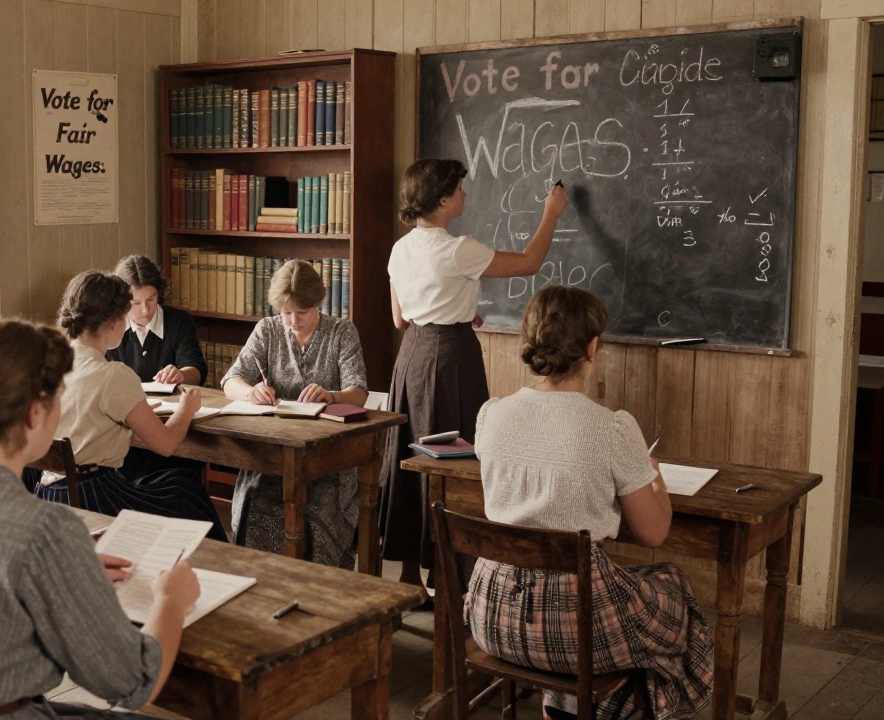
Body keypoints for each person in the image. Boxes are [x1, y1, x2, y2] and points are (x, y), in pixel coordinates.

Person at [0, 319, 202, 719]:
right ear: (35, 412)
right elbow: (133, 682)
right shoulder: (45, 529)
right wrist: (171, 601)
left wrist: (63, 565)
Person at [468, 286, 713, 720]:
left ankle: (563, 709)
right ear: (593, 348)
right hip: (571, 633)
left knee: (608, 606)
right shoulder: (612, 429)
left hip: (492, 618)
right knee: (673, 588)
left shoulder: (491, 416)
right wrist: (654, 476)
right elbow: (654, 532)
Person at [380, 158, 569, 590]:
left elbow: (400, 319)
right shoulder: (456, 248)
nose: (465, 194)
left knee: (412, 459)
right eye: (460, 189)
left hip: (411, 359)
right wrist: (551, 212)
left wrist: (459, 305)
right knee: (454, 459)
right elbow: (529, 262)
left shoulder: (400, 248)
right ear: (443, 200)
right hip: (451, 360)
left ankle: (410, 576)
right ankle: (453, 580)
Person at [31, 270, 227, 540]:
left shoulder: (49, 364)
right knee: (184, 490)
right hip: (92, 496)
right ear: (113, 321)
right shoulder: (113, 374)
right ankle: (216, 572)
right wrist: (186, 409)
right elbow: (166, 445)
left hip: (46, 493)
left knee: (172, 484)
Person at [221, 260, 368, 568]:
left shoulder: (342, 332)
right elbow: (230, 380)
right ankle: (265, 590)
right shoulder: (268, 330)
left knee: (315, 512)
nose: (293, 320)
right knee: (257, 502)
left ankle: (317, 594)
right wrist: (250, 392)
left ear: (319, 302)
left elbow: (359, 392)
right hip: (274, 457)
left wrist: (332, 395)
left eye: (302, 312)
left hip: (328, 461)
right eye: (286, 312)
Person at [107, 254, 208, 481]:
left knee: (178, 475)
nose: (145, 310)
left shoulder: (179, 321)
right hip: (126, 431)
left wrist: (181, 374)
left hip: (172, 427)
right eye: (135, 303)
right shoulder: (112, 329)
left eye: (151, 299)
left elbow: (197, 370)